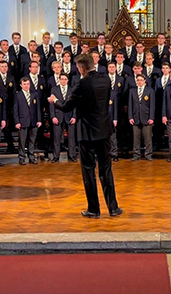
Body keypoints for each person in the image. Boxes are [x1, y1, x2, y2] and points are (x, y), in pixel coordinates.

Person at [48, 53, 122, 219]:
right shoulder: (106, 80)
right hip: (104, 130)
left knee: (88, 171)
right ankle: (113, 208)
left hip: (87, 132)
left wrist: (54, 101)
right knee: (106, 169)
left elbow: (67, 106)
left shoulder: (82, 83)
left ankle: (94, 209)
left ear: (81, 68)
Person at [49, 73, 77, 163]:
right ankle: (56, 156)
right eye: (62, 79)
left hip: (69, 116)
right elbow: (52, 104)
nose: (63, 81)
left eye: (65, 79)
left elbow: (75, 105)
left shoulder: (72, 90)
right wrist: (53, 116)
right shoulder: (54, 89)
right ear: (59, 80)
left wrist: (74, 116)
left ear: (67, 80)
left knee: (71, 138)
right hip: (58, 116)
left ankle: (72, 155)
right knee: (57, 138)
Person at [14, 77, 42, 165]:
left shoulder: (34, 94)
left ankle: (31, 157)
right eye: (24, 84)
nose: (26, 86)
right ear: (21, 85)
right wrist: (17, 122)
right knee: (22, 141)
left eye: (28, 84)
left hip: (33, 121)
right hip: (22, 121)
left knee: (32, 140)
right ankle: (22, 157)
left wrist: (39, 120)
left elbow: (38, 108)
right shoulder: (18, 95)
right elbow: (15, 110)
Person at [128, 74, 155, 161]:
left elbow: (152, 105)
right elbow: (130, 105)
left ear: (144, 81)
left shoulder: (150, 91)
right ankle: (136, 154)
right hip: (135, 117)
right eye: (138, 80)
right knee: (136, 138)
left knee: (148, 138)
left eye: (141, 80)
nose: (139, 81)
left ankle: (148, 154)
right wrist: (130, 117)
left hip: (146, 117)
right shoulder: (132, 91)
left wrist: (151, 117)